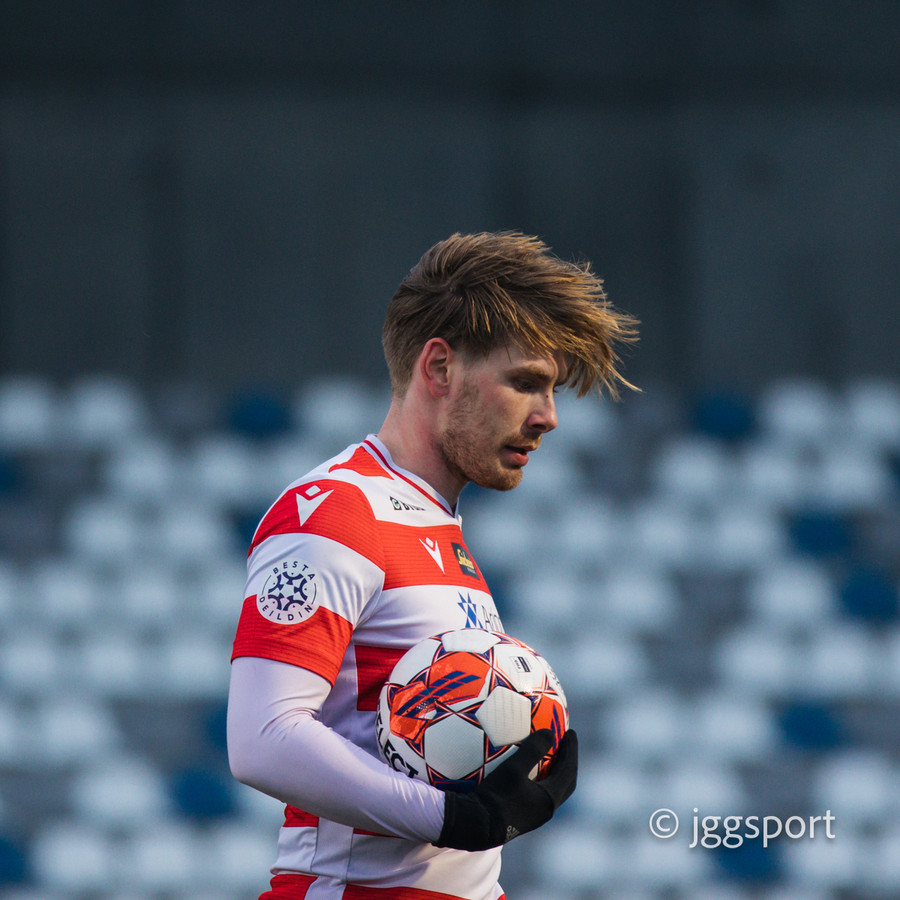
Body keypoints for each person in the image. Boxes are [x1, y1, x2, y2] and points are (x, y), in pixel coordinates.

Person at [227, 231, 638, 900]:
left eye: (553, 391)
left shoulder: (436, 525)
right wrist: (454, 819)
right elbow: (261, 738)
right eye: (525, 383)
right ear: (440, 368)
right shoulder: (335, 512)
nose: (549, 417)